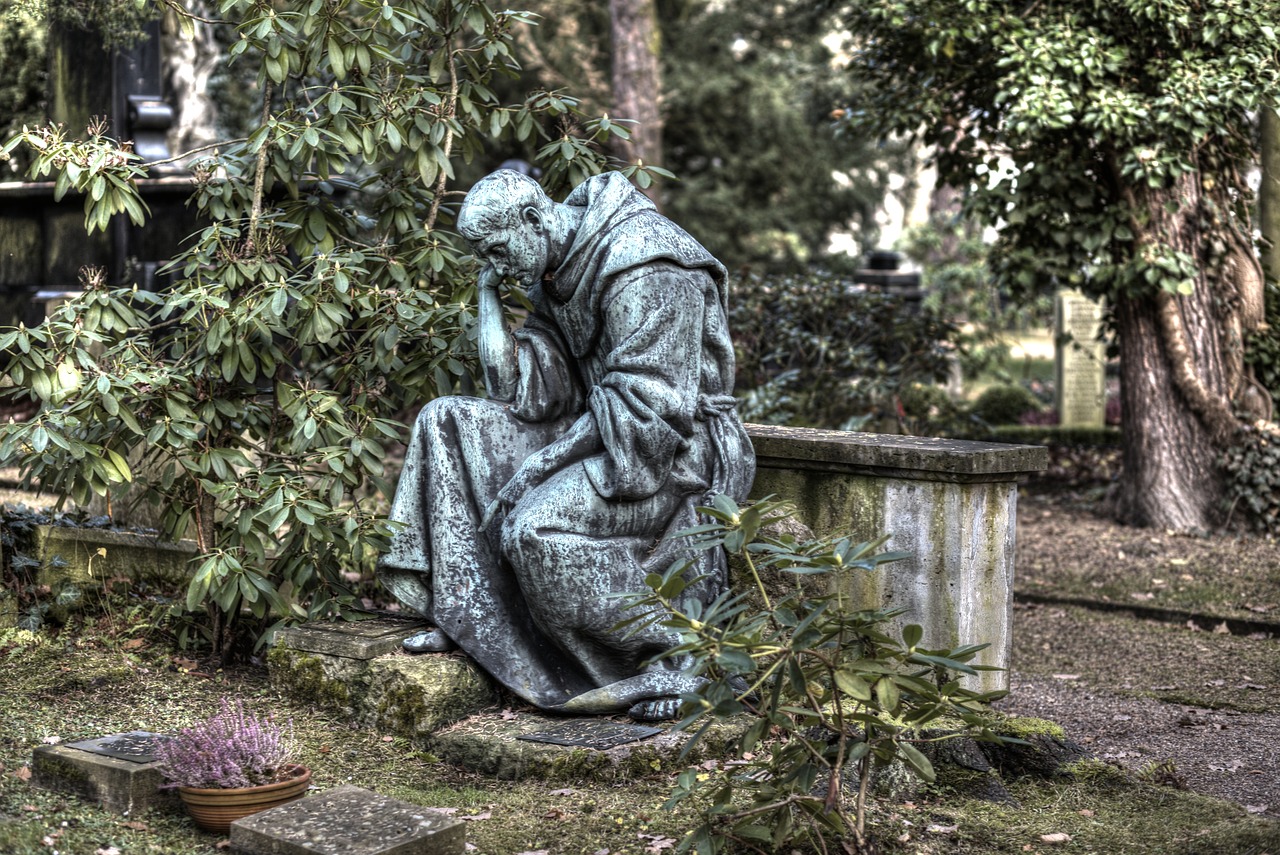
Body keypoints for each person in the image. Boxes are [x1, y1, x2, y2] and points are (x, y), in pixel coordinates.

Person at [376, 169, 754, 720]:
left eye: (499, 253)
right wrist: (488, 295)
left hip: (671, 453)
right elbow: (524, 388)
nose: (497, 268)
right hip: (601, 429)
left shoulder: (646, 261)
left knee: (533, 530)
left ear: (533, 221)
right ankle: (469, 613)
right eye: (486, 257)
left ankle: (675, 654)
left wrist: (538, 468)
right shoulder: (554, 265)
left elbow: (652, 406)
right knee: (444, 419)